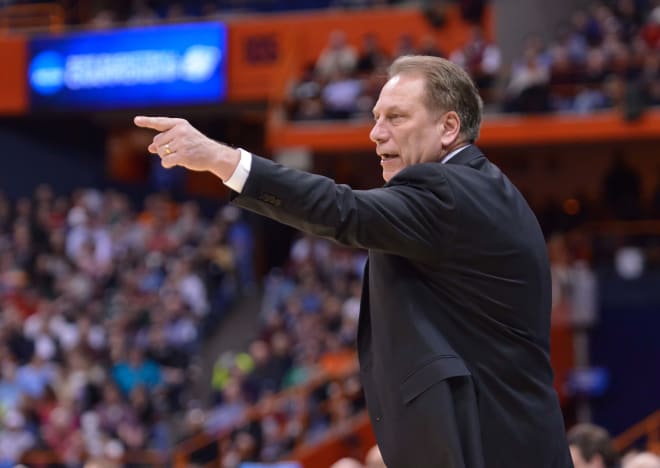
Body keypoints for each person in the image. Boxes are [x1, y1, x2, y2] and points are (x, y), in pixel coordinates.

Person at [134, 55, 573, 468]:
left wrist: (220, 158)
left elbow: (342, 210)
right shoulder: (483, 190)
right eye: (375, 118)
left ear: (448, 127)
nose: (376, 133)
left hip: (489, 448)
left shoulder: (448, 191)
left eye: (396, 117)